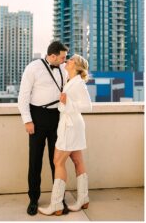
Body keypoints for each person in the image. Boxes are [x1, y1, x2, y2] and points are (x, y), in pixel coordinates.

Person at [18, 41, 69, 216]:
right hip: (37, 118)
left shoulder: (63, 69)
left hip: (58, 118)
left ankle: (59, 199)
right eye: (62, 57)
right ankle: (33, 199)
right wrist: (27, 120)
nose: (64, 60)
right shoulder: (33, 68)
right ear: (53, 55)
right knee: (35, 161)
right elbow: (23, 96)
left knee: (58, 161)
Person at [38, 54, 92, 216]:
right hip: (71, 125)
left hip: (71, 126)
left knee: (58, 161)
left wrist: (67, 102)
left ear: (76, 66)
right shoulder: (70, 81)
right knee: (77, 160)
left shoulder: (79, 84)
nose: (67, 61)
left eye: (70, 60)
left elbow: (88, 106)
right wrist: (65, 102)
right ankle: (83, 198)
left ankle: (56, 204)